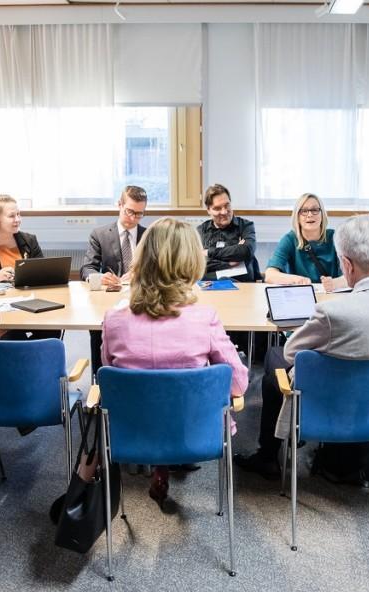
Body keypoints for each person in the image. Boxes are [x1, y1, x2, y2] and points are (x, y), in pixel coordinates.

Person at [239, 214, 369, 481]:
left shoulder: (333, 312)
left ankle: (268, 455)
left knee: (275, 358)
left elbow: (293, 352)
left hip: (333, 396)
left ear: (347, 265)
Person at [100, 217, 249, 511]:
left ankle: (159, 468)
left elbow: (109, 378)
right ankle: (167, 464)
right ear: (192, 262)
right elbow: (238, 383)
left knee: (151, 394)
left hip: (133, 430)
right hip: (192, 427)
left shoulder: (113, 320)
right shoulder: (204, 317)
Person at [79, 186, 149, 370]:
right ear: (119, 205)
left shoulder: (149, 236)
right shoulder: (100, 234)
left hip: (141, 298)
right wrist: (99, 277)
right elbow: (87, 268)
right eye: (130, 212)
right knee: (98, 329)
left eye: (139, 214)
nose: (133, 218)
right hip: (108, 299)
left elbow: (160, 269)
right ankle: (100, 379)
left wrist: (141, 273)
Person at [264, 193, 347, 292]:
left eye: (315, 210)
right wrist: (296, 280)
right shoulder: (290, 239)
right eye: (304, 211)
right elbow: (270, 275)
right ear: (297, 216)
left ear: (322, 214)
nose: (310, 215)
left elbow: (355, 275)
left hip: (333, 296)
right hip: (302, 296)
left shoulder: (336, 237)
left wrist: (335, 283)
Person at [196, 184, 257, 282]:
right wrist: (229, 263)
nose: (224, 212)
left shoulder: (245, 226)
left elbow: (246, 251)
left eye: (227, 205)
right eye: (217, 208)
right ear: (208, 210)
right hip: (209, 287)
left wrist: (208, 252)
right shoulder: (200, 231)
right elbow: (196, 263)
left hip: (243, 286)